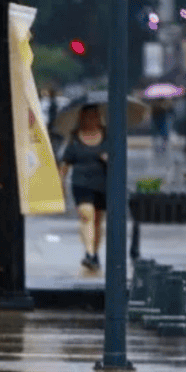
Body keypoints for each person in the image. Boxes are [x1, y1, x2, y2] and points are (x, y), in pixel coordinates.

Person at [58, 105, 108, 272]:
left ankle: (95, 253)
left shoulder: (108, 138)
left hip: (102, 185)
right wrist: (61, 183)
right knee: (86, 215)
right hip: (81, 184)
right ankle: (89, 253)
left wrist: (108, 159)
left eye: (94, 116)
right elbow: (65, 165)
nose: (90, 120)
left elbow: (119, 161)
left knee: (97, 221)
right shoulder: (74, 140)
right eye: (87, 117)